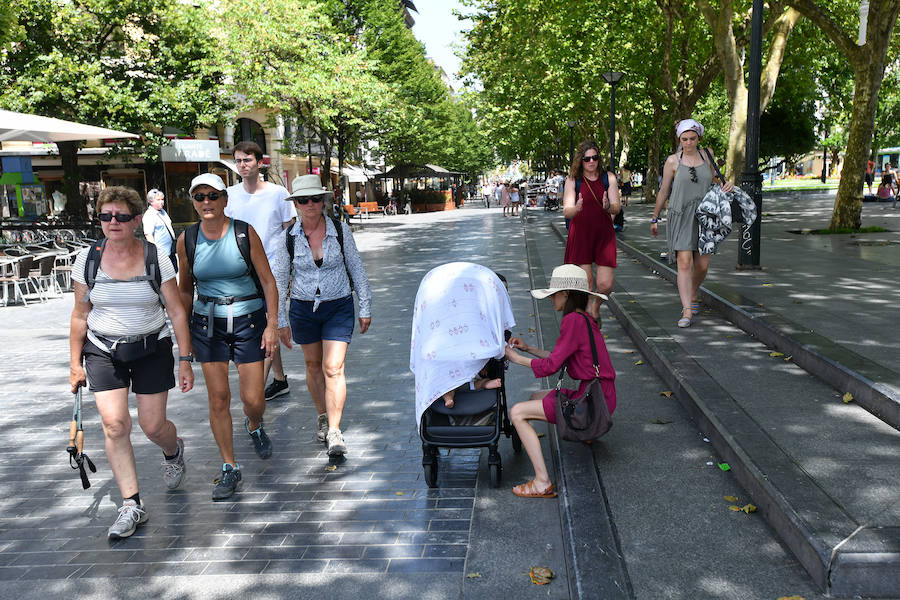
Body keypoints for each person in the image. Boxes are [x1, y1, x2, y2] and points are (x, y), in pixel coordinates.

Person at [69, 186, 194, 539]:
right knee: (114, 425)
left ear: (137, 220)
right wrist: (74, 364)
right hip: (102, 349)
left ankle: (173, 449)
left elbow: (176, 311)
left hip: (151, 347)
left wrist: (185, 359)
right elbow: (80, 314)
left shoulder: (156, 257)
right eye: (106, 216)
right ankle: (131, 504)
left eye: (122, 216)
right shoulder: (88, 259)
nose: (113, 222)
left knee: (152, 427)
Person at [177, 173, 283, 500]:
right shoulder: (187, 240)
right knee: (219, 398)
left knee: (254, 400)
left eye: (212, 196)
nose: (206, 202)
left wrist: (272, 324)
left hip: (249, 320)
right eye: (199, 197)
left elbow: (268, 282)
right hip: (207, 324)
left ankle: (254, 424)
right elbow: (184, 289)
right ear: (193, 202)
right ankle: (229, 467)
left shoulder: (243, 232)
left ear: (225, 199)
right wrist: (184, 340)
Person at [273, 175, 372, 457]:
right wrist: (280, 319)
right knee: (313, 364)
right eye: (304, 200)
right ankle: (322, 414)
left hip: (338, 305)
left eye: (316, 198)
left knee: (333, 367)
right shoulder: (287, 238)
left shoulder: (340, 231)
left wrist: (364, 306)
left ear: (323, 201)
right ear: (296, 204)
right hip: (303, 308)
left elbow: (357, 269)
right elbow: (280, 280)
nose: (310, 204)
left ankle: (335, 430)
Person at [504, 264, 616, 498]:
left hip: (593, 404)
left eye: (554, 294)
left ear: (566, 294)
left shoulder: (572, 321)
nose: (551, 299)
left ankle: (542, 482)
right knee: (536, 397)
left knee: (517, 412)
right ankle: (588, 434)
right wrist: (530, 349)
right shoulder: (584, 319)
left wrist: (517, 358)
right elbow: (559, 357)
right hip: (602, 396)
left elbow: (551, 366)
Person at [224, 141, 296, 401]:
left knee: (269, 321)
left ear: (260, 162)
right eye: (239, 161)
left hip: (274, 266)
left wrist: (292, 269)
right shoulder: (229, 194)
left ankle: (255, 391)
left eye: (248, 160)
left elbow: (290, 230)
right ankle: (279, 379)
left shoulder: (278, 193)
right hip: (242, 268)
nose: (243, 165)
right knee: (263, 322)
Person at [650, 118, 733, 328]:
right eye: (684, 139)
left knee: (703, 265)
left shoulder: (708, 155)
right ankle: (687, 309)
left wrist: (726, 184)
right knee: (684, 262)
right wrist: (655, 217)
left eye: (692, 139)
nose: (688, 143)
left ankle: (693, 291)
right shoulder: (672, 161)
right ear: (679, 139)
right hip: (681, 215)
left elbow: (713, 180)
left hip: (705, 215)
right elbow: (663, 191)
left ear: (699, 138)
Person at [562, 140, 621, 321]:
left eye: (594, 157)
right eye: (587, 159)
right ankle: (589, 313)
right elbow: (567, 210)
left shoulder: (608, 177)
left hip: (603, 234)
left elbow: (616, 207)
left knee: (605, 284)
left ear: (599, 159)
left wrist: (607, 206)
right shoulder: (573, 180)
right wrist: (577, 208)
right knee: (586, 283)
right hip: (581, 234)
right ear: (580, 160)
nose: (591, 161)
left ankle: (595, 305)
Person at [142, 188, 177, 271]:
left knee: (174, 273)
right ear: (151, 201)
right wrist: (155, 253)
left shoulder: (162, 211)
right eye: (158, 200)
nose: (161, 202)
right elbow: (148, 235)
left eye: (162, 199)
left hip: (170, 251)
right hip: (161, 255)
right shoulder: (149, 215)